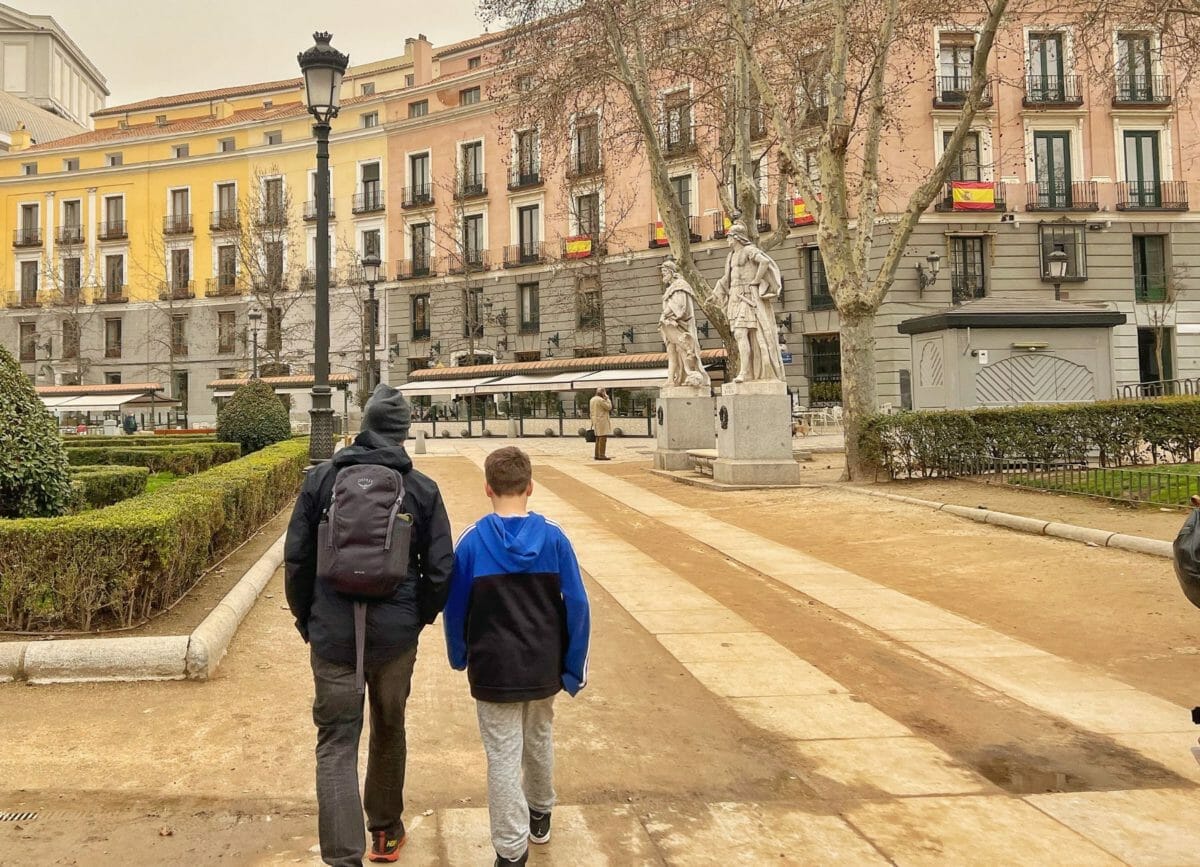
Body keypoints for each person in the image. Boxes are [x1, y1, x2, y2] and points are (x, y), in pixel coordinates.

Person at [285, 383, 454, 867]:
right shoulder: (420, 489)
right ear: (402, 434)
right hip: (395, 636)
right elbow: (441, 568)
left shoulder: (321, 481)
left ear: (363, 426)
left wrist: (307, 620)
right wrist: (418, 617)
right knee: (389, 726)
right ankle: (384, 833)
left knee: (336, 741)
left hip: (332, 632)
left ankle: (343, 859)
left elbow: (296, 558)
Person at [443, 446, 590, 867]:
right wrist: (573, 667)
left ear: (487, 487)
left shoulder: (471, 542)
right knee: (539, 738)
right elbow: (578, 605)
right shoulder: (555, 537)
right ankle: (540, 812)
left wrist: (459, 655)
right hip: (543, 665)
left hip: (493, 669)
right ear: (530, 487)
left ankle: (511, 851)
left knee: (503, 756)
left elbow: (455, 609)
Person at [712, 221, 785, 383]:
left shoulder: (748, 250)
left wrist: (756, 281)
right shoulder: (731, 256)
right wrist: (717, 292)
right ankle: (748, 371)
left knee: (741, 333)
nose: (727, 240)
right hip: (735, 297)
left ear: (736, 238)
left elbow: (765, 262)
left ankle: (746, 372)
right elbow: (728, 278)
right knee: (740, 335)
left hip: (747, 297)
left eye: (729, 237)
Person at [658, 259, 710, 389]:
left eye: (664, 272)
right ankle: (671, 379)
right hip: (669, 324)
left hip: (680, 324)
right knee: (671, 352)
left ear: (671, 271)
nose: (663, 275)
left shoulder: (680, 285)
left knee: (683, 350)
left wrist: (665, 314)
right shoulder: (671, 288)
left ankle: (688, 374)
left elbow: (679, 305)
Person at [588, 387, 612, 460]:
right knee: (603, 438)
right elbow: (609, 407)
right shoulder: (600, 400)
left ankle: (597, 454)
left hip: (595, 420)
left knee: (598, 438)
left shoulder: (592, 399)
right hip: (602, 421)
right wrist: (607, 399)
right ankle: (601, 455)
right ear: (602, 392)